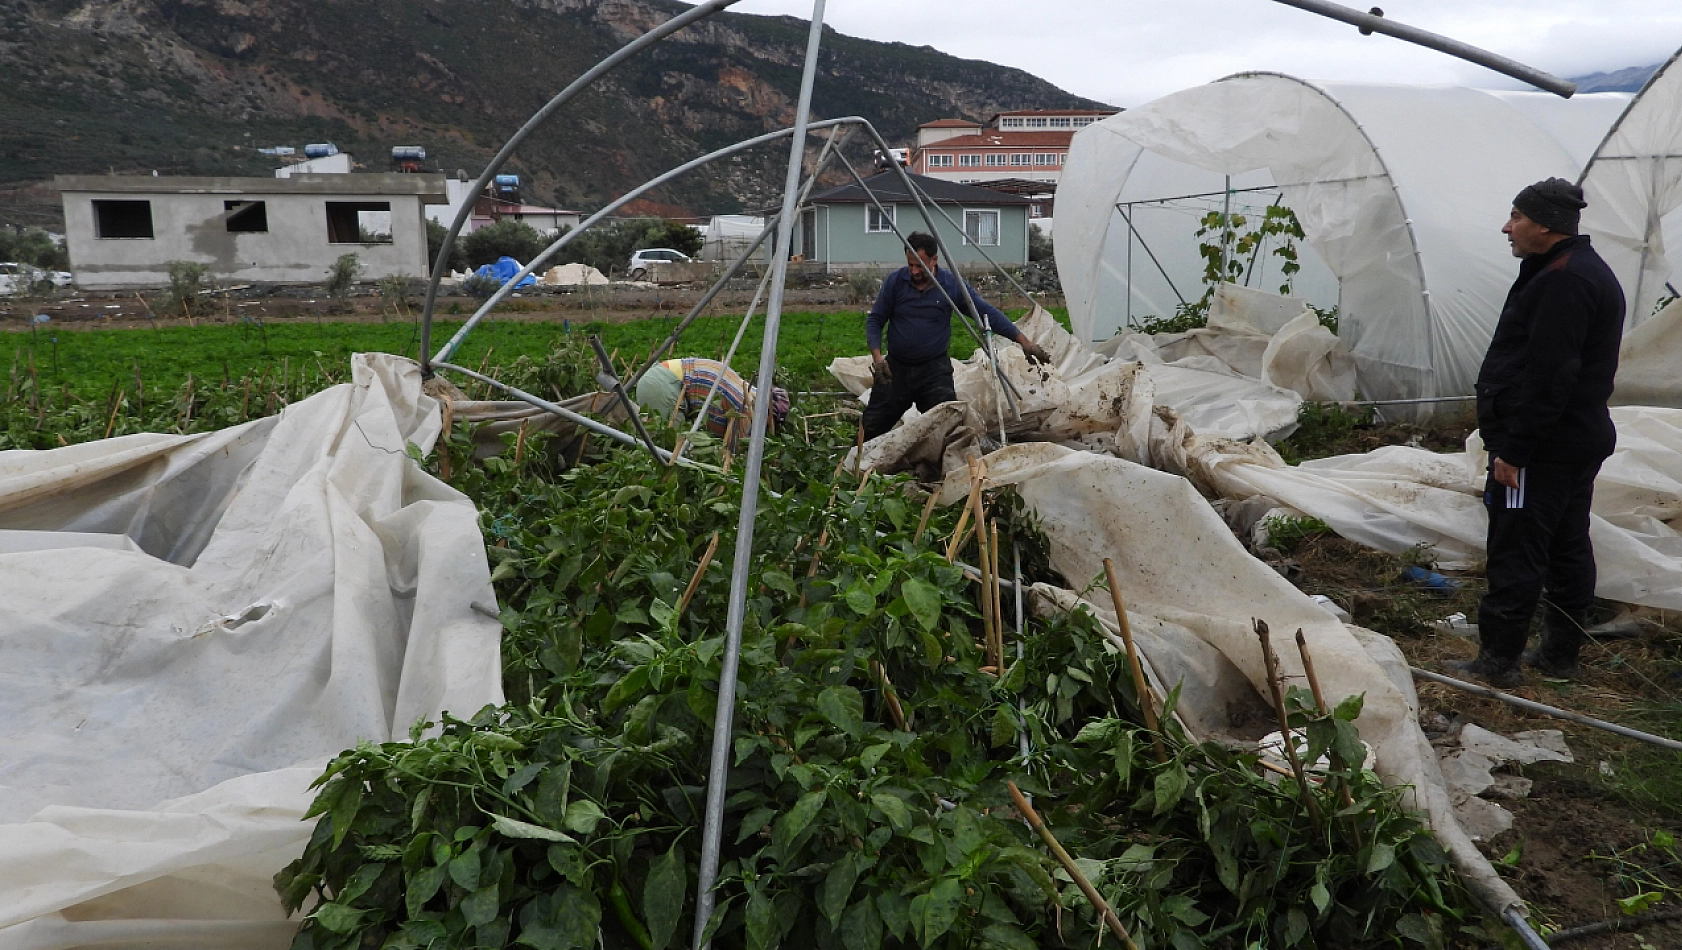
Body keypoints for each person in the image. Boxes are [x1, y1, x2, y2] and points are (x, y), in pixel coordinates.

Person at [1451, 178, 1625, 688]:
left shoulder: (1563, 281)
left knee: (1517, 546)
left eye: (1517, 217)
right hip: (1575, 438)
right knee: (1567, 545)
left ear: (1545, 224)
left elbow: (1549, 375)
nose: (1507, 227)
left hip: (1543, 447)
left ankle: (1497, 662)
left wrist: (1515, 450)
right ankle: (1559, 656)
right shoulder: (1574, 270)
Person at [861, 232, 1051, 440]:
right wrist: (878, 358)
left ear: (934, 260)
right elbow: (875, 320)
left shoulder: (951, 285)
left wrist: (1024, 342)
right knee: (870, 428)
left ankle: (939, 470)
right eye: (910, 265)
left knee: (949, 430)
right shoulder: (895, 282)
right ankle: (853, 468)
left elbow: (985, 312)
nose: (914, 271)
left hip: (934, 371)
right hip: (895, 369)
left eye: (920, 265)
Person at [634, 356, 789, 438]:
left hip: (662, 376)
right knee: (672, 445)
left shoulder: (747, 391)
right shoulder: (748, 409)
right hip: (662, 386)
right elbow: (737, 451)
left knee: (658, 434)